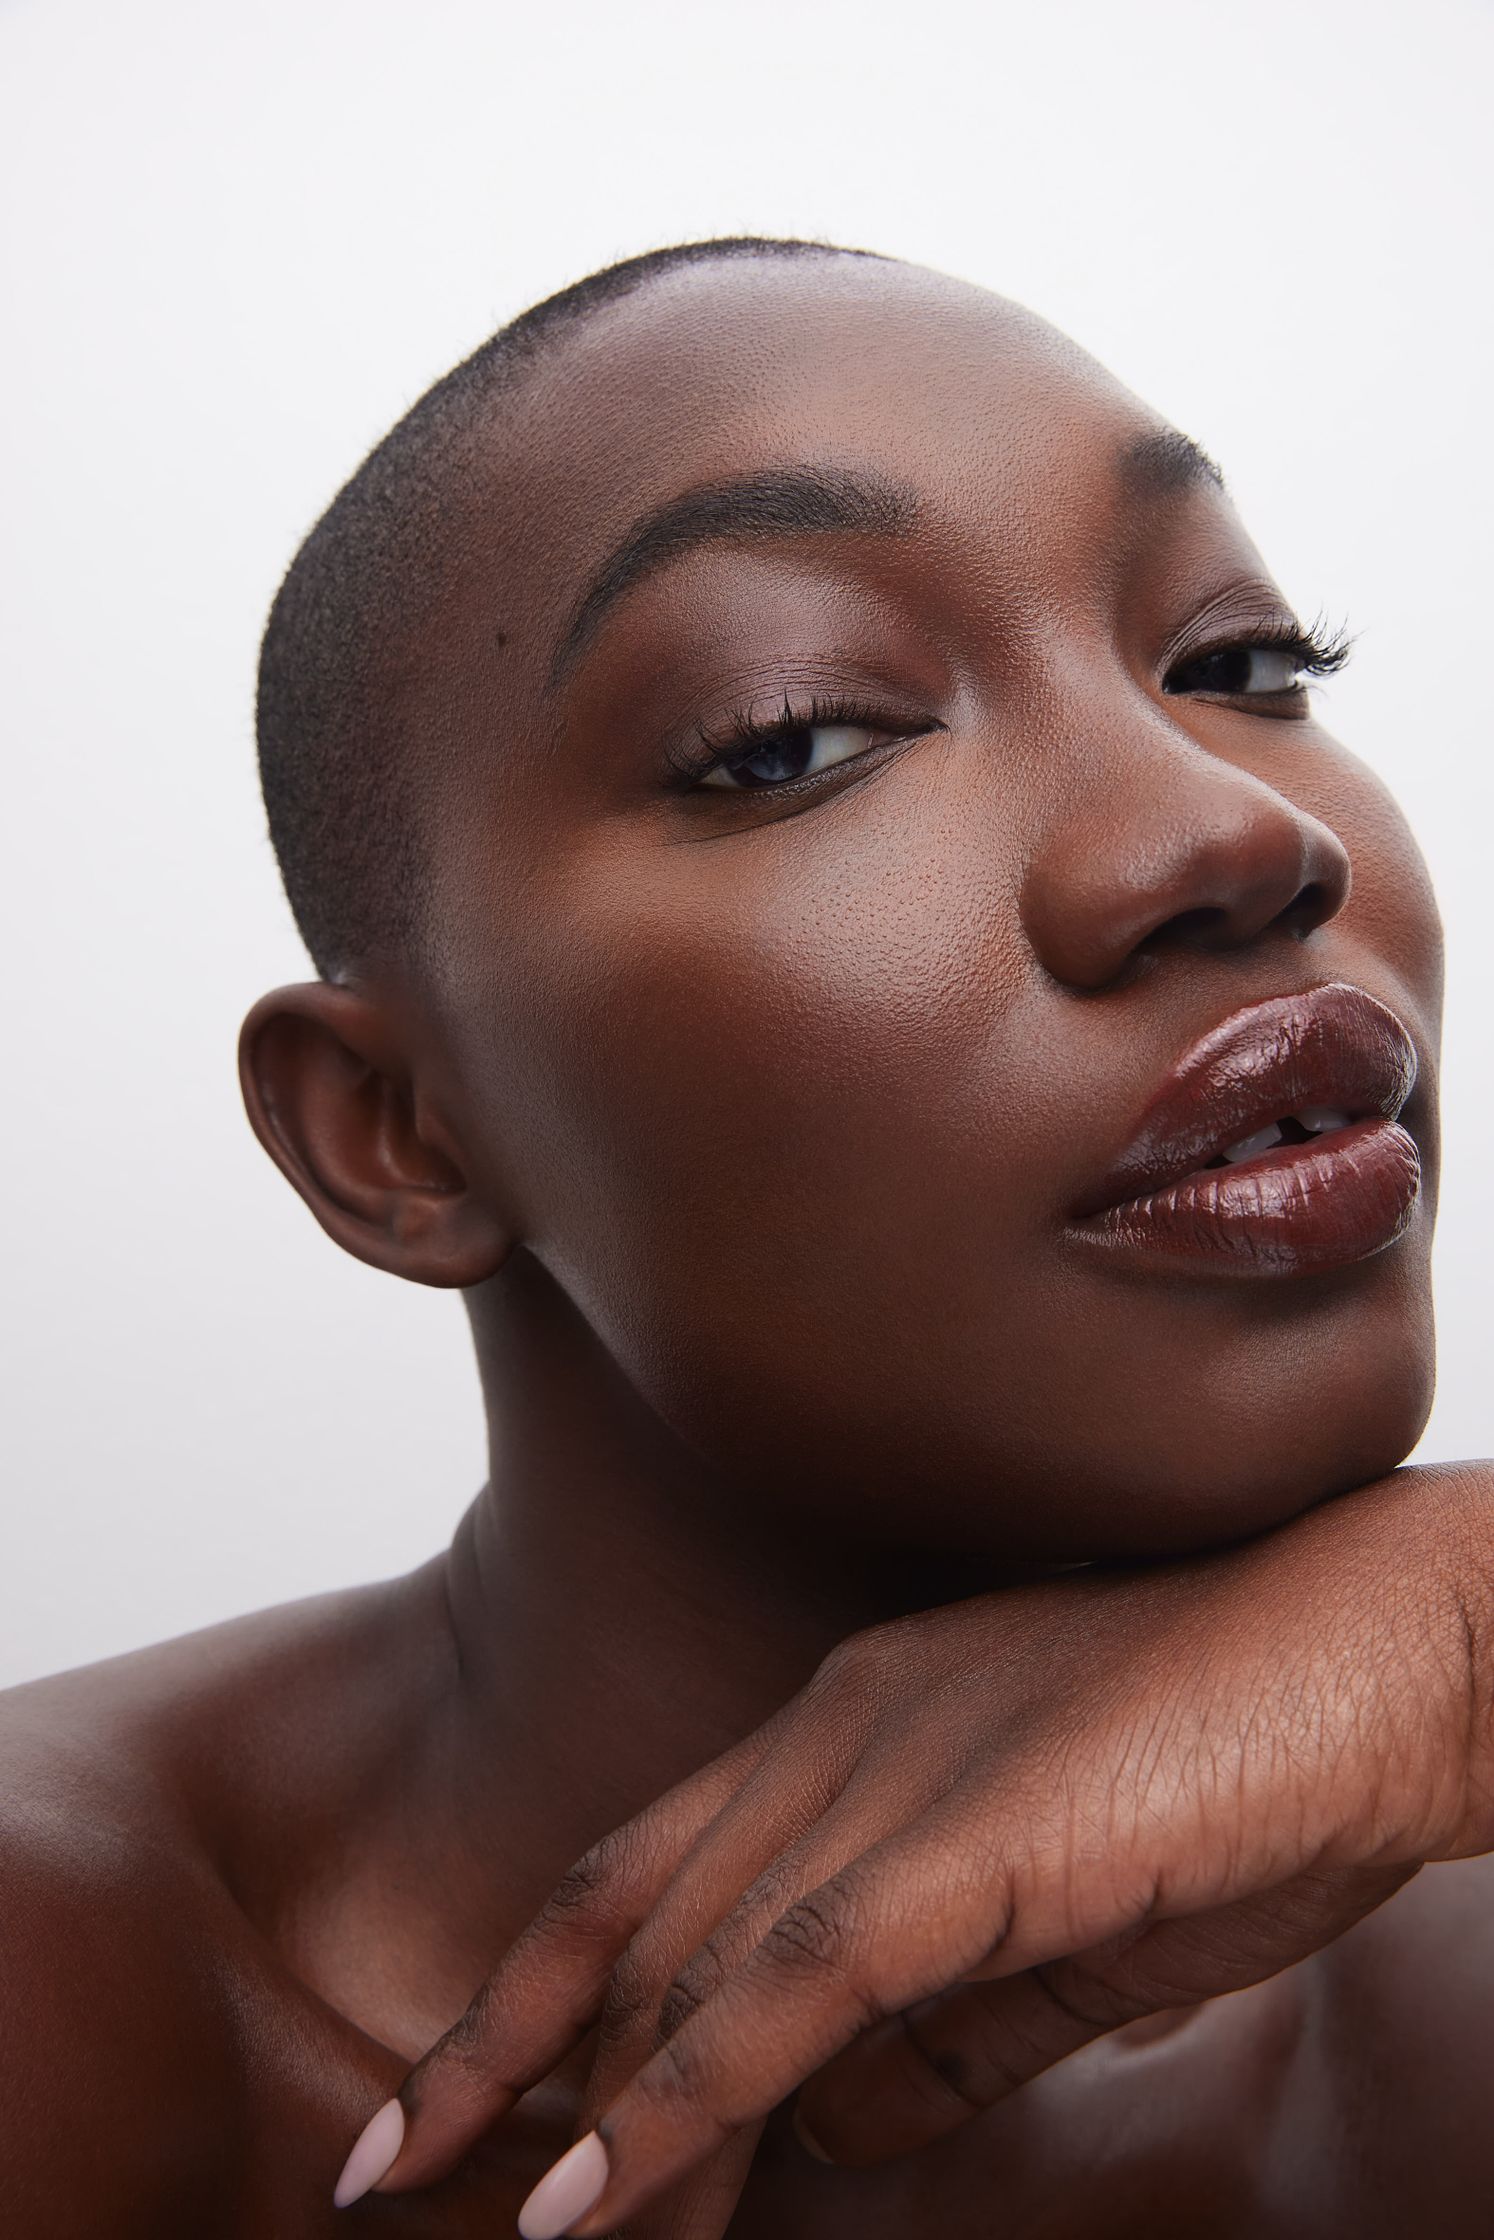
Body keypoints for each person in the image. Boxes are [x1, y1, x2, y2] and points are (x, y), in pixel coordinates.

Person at [3, 234, 1489, 2239]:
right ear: (398, 1134)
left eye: (1243, 666)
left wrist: (1464, 1643)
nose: (1233, 831)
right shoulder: (71, 1994)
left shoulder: (1442, 1946)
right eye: (796, 734)